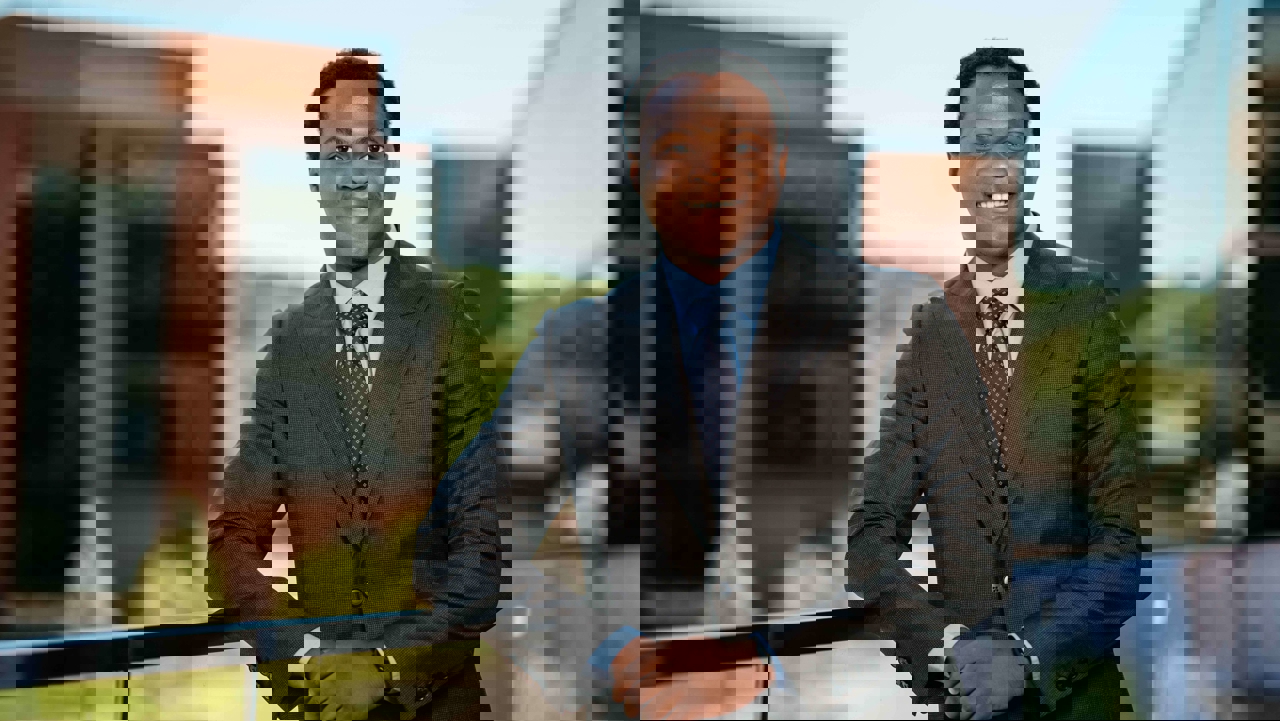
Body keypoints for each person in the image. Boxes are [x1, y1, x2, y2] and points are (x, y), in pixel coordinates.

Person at [491, 48, 938, 719]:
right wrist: (597, 657)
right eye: (678, 151)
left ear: (773, 169)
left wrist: (785, 658)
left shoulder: (903, 317)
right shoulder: (576, 342)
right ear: (639, 172)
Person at [846, 47, 1141, 720]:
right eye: (980, 142)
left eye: (1011, 140)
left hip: (1074, 699)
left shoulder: (1088, 310)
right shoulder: (930, 334)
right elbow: (871, 538)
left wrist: (1031, 654)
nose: (996, 162)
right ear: (956, 166)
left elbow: (1120, 543)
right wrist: (940, 641)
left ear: (1030, 157)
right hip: (967, 699)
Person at [207, 50, 499, 721]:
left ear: (390, 164)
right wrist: (303, 652)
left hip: (435, 703)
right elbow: (232, 541)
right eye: (338, 149)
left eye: (370, 147)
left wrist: (391, 664)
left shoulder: (447, 323)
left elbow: (482, 542)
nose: (354, 169)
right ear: (316, 170)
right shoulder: (289, 345)